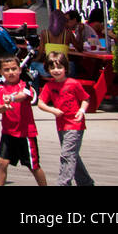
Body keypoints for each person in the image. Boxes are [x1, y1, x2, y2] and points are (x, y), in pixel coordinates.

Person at [36, 51, 94, 185]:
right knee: (72, 155)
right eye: (52, 68)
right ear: (48, 69)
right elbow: (40, 103)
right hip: (61, 125)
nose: (56, 70)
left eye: (59, 67)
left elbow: (86, 99)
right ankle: (85, 182)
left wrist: (82, 110)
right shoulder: (49, 86)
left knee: (67, 155)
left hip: (75, 125)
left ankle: (63, 183)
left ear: (66, 68)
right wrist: (53, 110)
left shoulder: (73, 83)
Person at [0, 55, 48, 187]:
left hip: (26, 134)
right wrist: (4, 107)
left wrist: (11, 98)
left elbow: (23, 96)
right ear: (0, 72)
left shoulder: (25, 84)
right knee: (1, 163)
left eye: (14, 69)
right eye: (7, 70)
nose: (11, 72)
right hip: (8, 133)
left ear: (20, 70)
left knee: (33, 166)